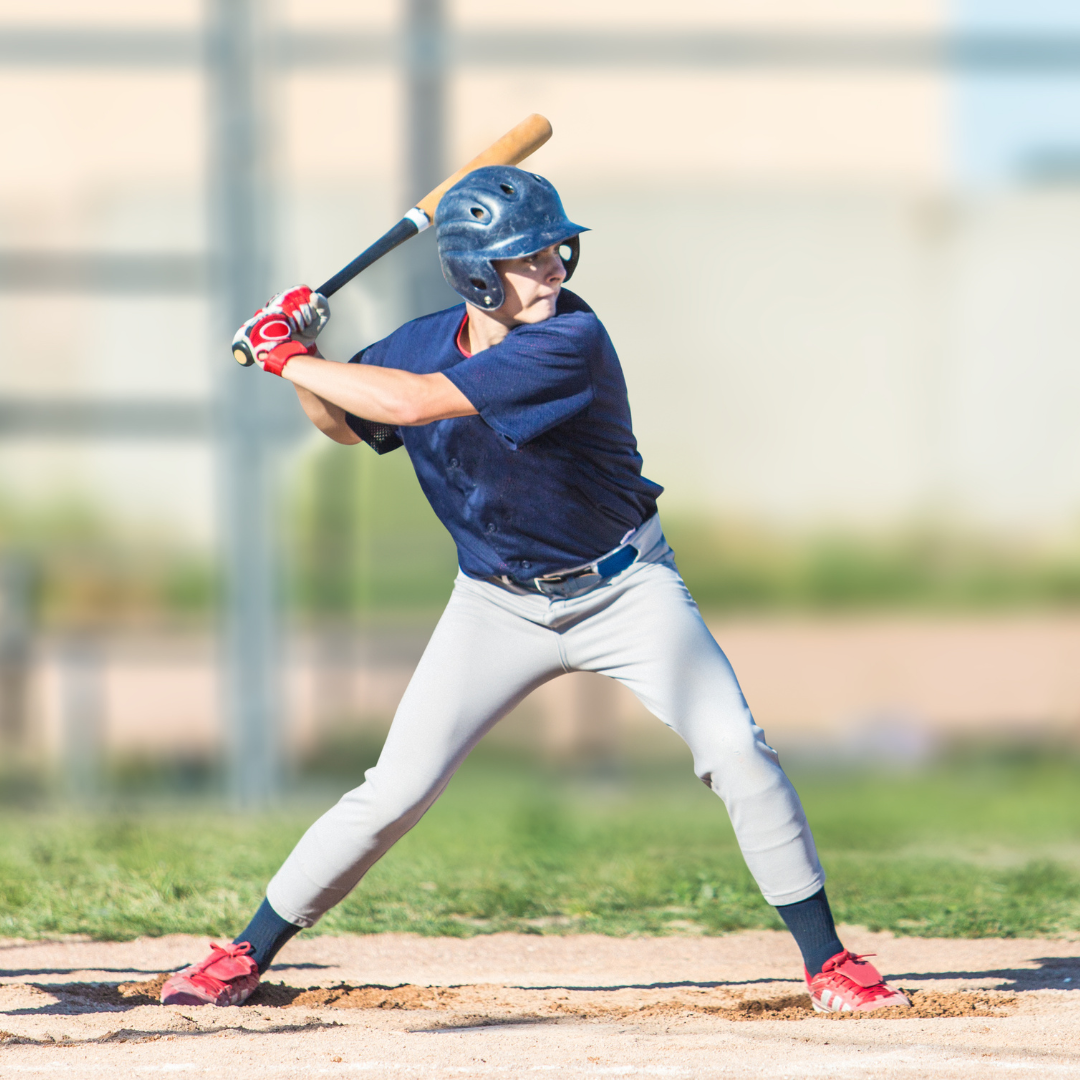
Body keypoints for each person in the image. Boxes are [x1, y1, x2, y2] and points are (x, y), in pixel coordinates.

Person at [161, 166, 909, 1014]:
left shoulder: (570, 341)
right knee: (394, 790)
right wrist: (304, 357)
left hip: (627, 590)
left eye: (557, 249)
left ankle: (828, 962)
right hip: (495, 605)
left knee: (735, 750)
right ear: (478, 274)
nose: (555, 266)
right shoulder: (417, 342)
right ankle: (245, 953)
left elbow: (409, 406)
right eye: (530, 257)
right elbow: (343, 422)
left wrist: (285, 354)